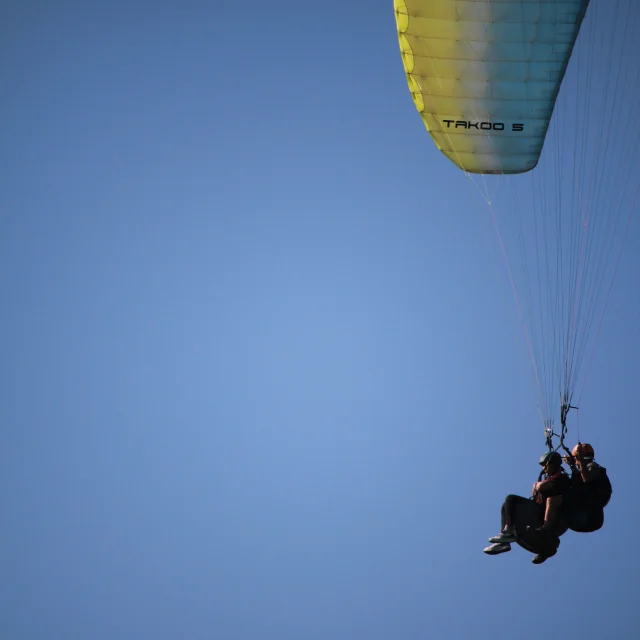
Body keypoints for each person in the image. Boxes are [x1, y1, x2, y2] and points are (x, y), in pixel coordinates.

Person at [484, 451, 571, 564]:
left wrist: (536, 485)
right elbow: (537, 492)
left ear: (553, 464)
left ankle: (510, 533)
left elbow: (542, 486)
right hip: (540, 513)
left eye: (545, 465)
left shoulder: (560, 477)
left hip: (549, 516)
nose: (544, 468)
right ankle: (504, 540)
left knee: (511, 499)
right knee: (506, 507)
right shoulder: (550, 478)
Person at [562, 442, 612, 532]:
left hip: (589, 517)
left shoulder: (593, 467)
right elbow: (579, 479)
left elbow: (587, 480)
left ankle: (546, 526)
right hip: (584, 517)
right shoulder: (583, 471)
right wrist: (571, 465)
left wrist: (579, 460)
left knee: (560, 496)